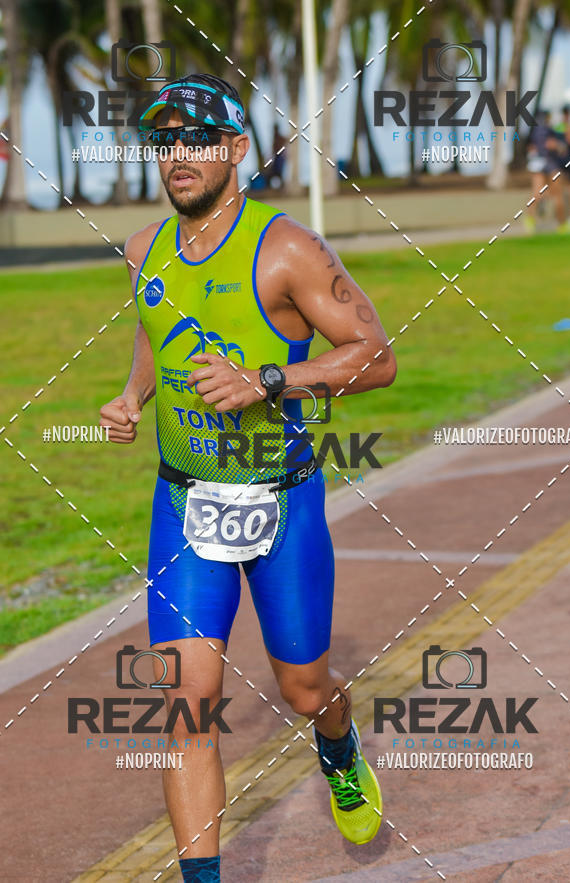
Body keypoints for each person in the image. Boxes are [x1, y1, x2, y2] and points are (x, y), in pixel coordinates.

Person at [99, 73, 396, 883]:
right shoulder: (144, 250)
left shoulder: (288, 248)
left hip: (280, 502)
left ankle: (336, 741)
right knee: (186, 704)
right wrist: (133, 395)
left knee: (304, 687)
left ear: (236, 150)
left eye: (197, 139)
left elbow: (378, 358)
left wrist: (269, 380)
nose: (178, 156)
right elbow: (157, 326)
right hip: (183, 503)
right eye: (165, 141)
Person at [525, 110, 568, 233]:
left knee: (538, 193)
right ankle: (562, 224)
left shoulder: (533, 132)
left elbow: (530, 148)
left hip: (540, 164)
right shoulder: (550, 131)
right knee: (556, 195)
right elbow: (560, 147)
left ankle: (532, 219)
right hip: (548, 164)